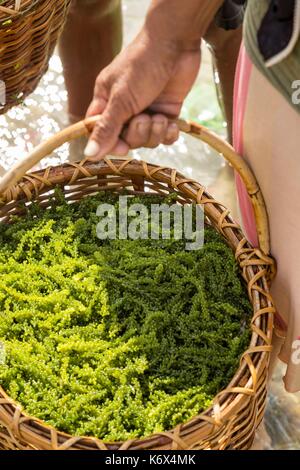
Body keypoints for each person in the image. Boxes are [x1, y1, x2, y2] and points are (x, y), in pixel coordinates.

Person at [83, 0, 300, 394]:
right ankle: (252, 395)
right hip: (282, 47)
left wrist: (167, 38)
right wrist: (169, 37)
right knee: (275, 282)